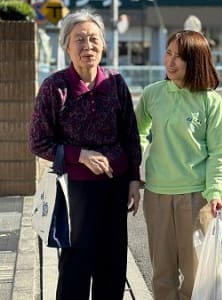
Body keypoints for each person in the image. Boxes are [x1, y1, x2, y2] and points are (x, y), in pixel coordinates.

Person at [28, 9, 142, 300]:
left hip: (114, 188)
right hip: (74, 193)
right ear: (66, 45)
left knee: (113, 265)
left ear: (103, 44)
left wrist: (133, 180)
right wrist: (79, 155)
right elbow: (38, 141)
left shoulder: (115, 83)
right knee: (75, 267)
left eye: (93, 39)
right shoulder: (55, 87)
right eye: (79, 39)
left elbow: (130, 134)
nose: (87, 46)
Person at [135, 30, 222, 300]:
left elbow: (219, 151)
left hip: (196, 198)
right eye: (168, 53)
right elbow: (136, 134)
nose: (171, 61)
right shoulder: (152, 94)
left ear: (196, 61)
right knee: (162, 276)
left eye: (180, 57)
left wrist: (214, 191)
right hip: (157, 194)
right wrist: (135, 164)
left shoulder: (209, 101)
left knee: (196, 276)